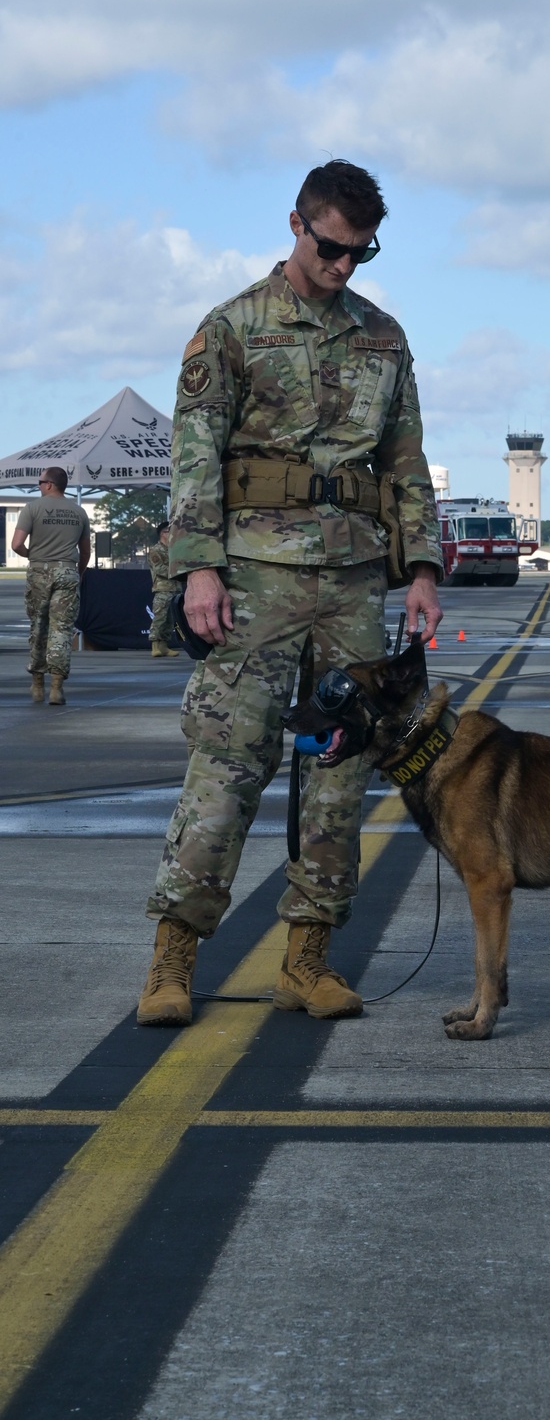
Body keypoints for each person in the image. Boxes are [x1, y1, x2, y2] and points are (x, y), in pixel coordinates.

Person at [137, 160, 444, 1028]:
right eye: (334, 247)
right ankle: (172, 959)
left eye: (363, 252)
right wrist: (197, 566)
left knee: (338, 774)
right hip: (254, 576)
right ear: (297, 225)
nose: (346, 266)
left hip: (351, 584)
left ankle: (307, 959)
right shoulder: (230, 328)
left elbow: (406, 459)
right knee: (229, 765)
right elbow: (194, 458)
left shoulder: (384, 338)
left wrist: (421, 566)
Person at [11, 467, 91, 706]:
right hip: (67, 570)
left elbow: (16, 544)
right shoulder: (79, 512)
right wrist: (77, 572)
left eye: (40, 482)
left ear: (49, 485)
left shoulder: (32, 508)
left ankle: (37, 684)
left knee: (38, 626)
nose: (39, 485)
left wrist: (33, 556)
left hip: (39, 570)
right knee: (62, 630)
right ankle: (57, 687)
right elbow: (85, 551)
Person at [147, 521, 179, 657]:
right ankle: (155, 645)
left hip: (175, 588)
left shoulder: (174, 549)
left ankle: (164, 646)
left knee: (170, 619)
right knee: (160, 617)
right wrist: (178, 572)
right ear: (162, 533)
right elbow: (159, 569)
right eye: (168, 531)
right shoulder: (156, 550)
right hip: (162, 588)